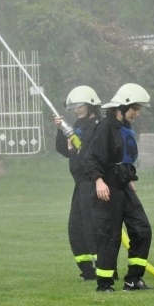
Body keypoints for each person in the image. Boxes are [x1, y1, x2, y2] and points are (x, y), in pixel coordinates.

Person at [82, 83, 154, 292]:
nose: (137, 113)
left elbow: (122, 158)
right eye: (136, 109)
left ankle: (133, 280)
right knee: (109, 235)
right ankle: (104, 284)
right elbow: (91, 157)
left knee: (142, 229)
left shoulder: (125, 127)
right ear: (123, 107)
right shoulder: (104, 127)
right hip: (106, 187)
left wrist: (129, 178)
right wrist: (98, 180)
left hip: (123, 185)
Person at [53, 85, 102, 281]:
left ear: (90, 104)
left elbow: (86, 154)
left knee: (93, 228)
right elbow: (65, 150)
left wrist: (73, 149)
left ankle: (104, 268)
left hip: (93, 182)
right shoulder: (79, 124)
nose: (76, 109)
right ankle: (87, 270)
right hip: (80, 184)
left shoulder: (98, 125)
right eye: (74, 106)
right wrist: (61, 130)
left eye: (79, 105)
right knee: (76, 227)